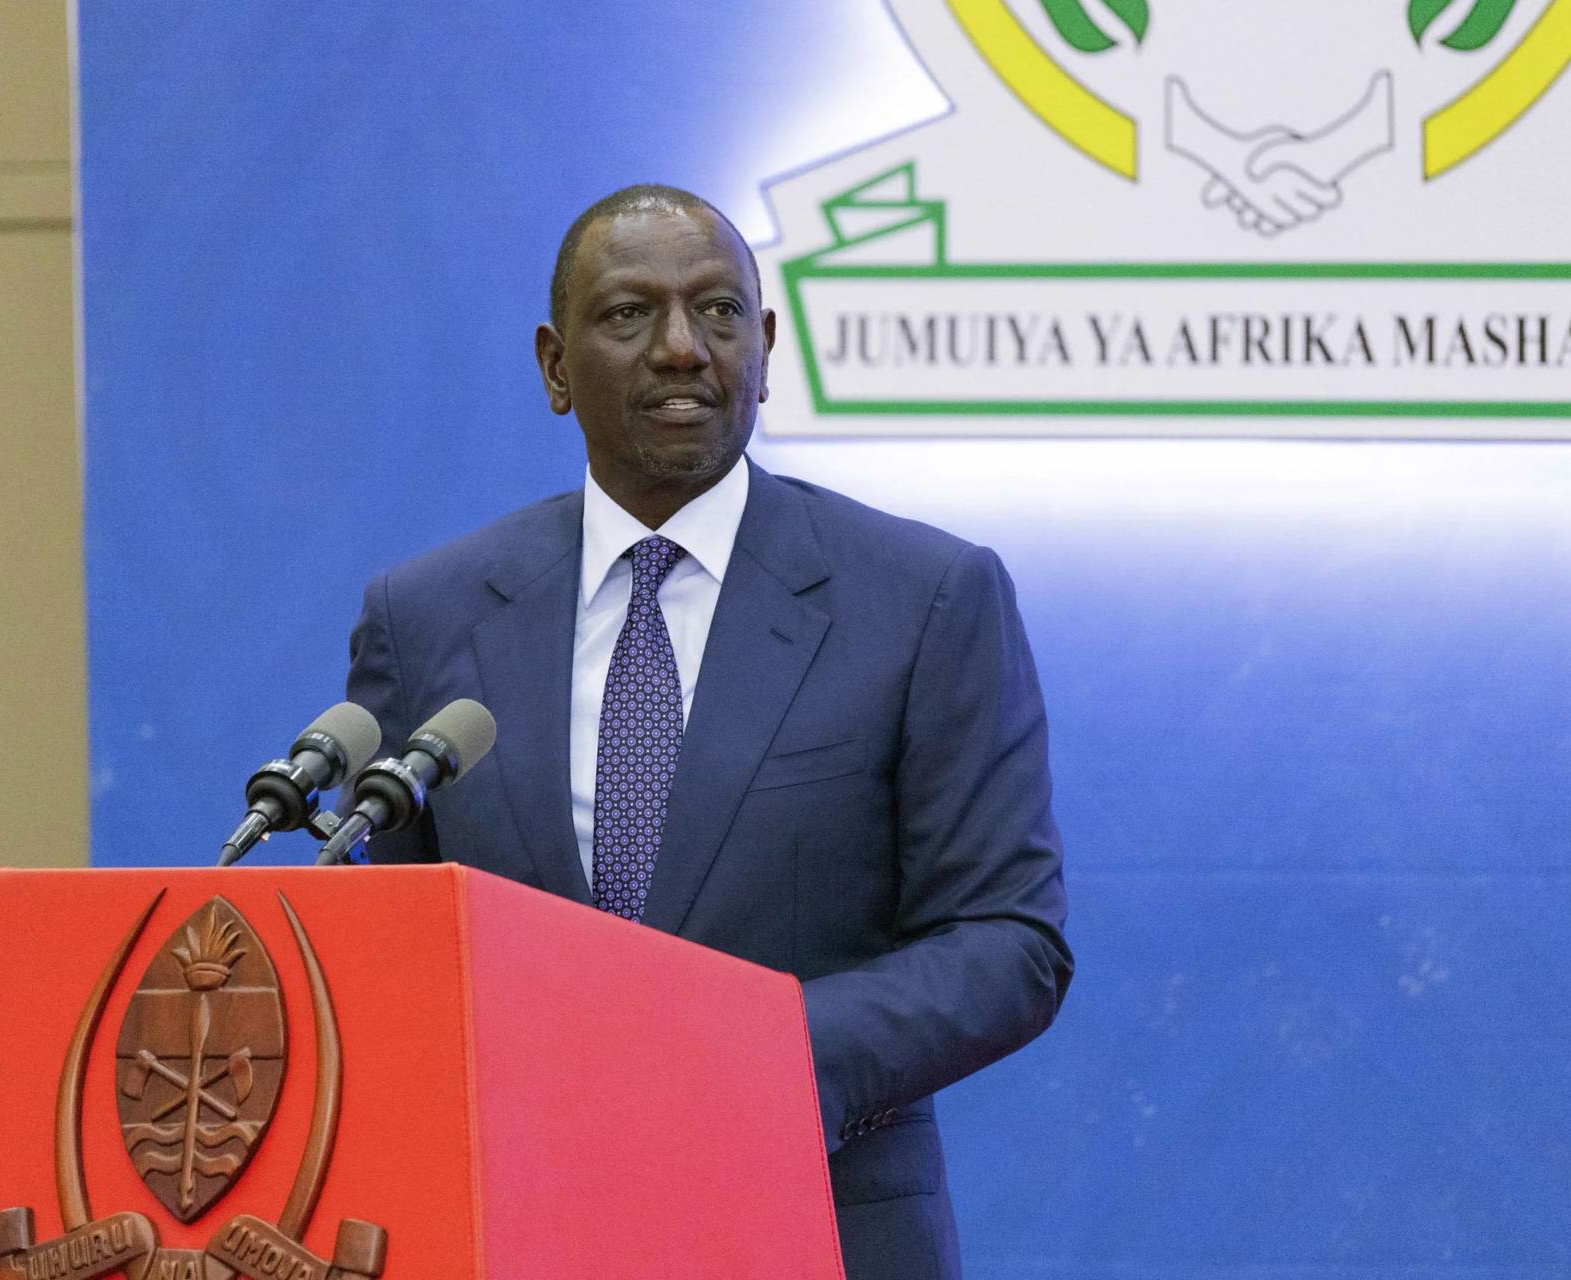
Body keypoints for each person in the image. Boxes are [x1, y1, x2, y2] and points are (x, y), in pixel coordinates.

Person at [345, 185, 1071, 1280]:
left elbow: (1011, 939)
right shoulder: (429, 615)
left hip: (821, 1217)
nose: (683, 347)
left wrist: (749, 1051)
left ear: (766, 349)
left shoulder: (922, 598)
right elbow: (388, 954)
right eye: (630, 314)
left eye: (721, 312)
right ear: (553, 365)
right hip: (514, 1225)